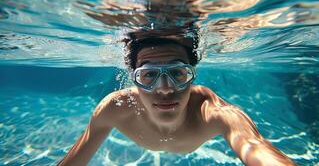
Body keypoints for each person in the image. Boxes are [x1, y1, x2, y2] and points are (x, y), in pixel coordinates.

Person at [58, 30, 296, 166]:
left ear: (192, 76)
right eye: (149, 75)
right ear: (133, 78)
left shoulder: (215, 114)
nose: (164, 89)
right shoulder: (114, 108)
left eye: (177, 73)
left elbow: (256, 148)